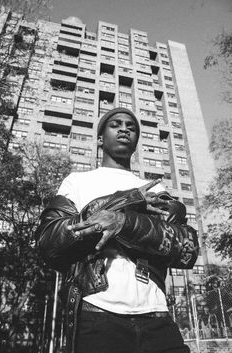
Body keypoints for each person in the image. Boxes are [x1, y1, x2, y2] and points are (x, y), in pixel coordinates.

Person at [36, 107, 199, 353]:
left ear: (135, 142)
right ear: (101, 139)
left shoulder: (156, 189)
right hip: (96, 314)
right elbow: (49, 242)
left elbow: (187, 248)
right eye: (116, 124)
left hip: (157, 316)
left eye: (131, 127)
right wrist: (130, 200)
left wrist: (123, 223)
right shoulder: (77, 182)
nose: (124, 129)